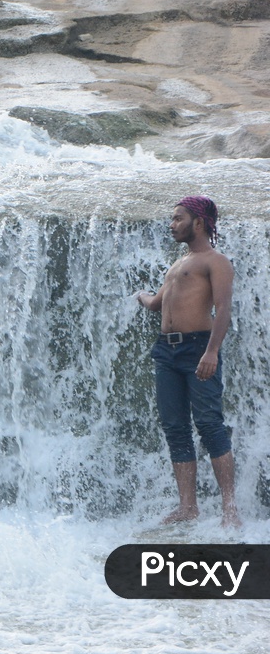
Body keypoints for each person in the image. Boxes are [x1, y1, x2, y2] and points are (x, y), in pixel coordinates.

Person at [136, 196, 241, 528]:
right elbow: (156, 304)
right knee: (175, 427)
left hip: (198, 347)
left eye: (178, 218)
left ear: (198, 222)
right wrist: (140, 295)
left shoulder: (216, 260)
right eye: (172, 218)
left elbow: (223, 308)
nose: (172, 224)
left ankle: (230, 509)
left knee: (210, 424)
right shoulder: (178, 264)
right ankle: (187, 506)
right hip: (166, 351)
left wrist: (211, 351)